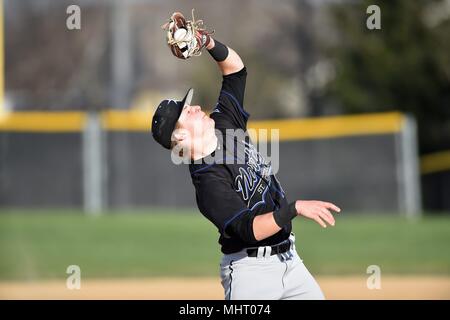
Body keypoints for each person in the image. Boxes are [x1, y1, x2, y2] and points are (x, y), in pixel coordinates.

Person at [152, 12, 341, 300]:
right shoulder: (208, 183)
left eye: (187, 104)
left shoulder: (225, 123)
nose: (193, 108)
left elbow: (235, 71)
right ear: (180, 138)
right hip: (251, 273)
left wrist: (205, 41)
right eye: (184, 113)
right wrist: (294, 208)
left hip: (290, 261)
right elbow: (250, 230)